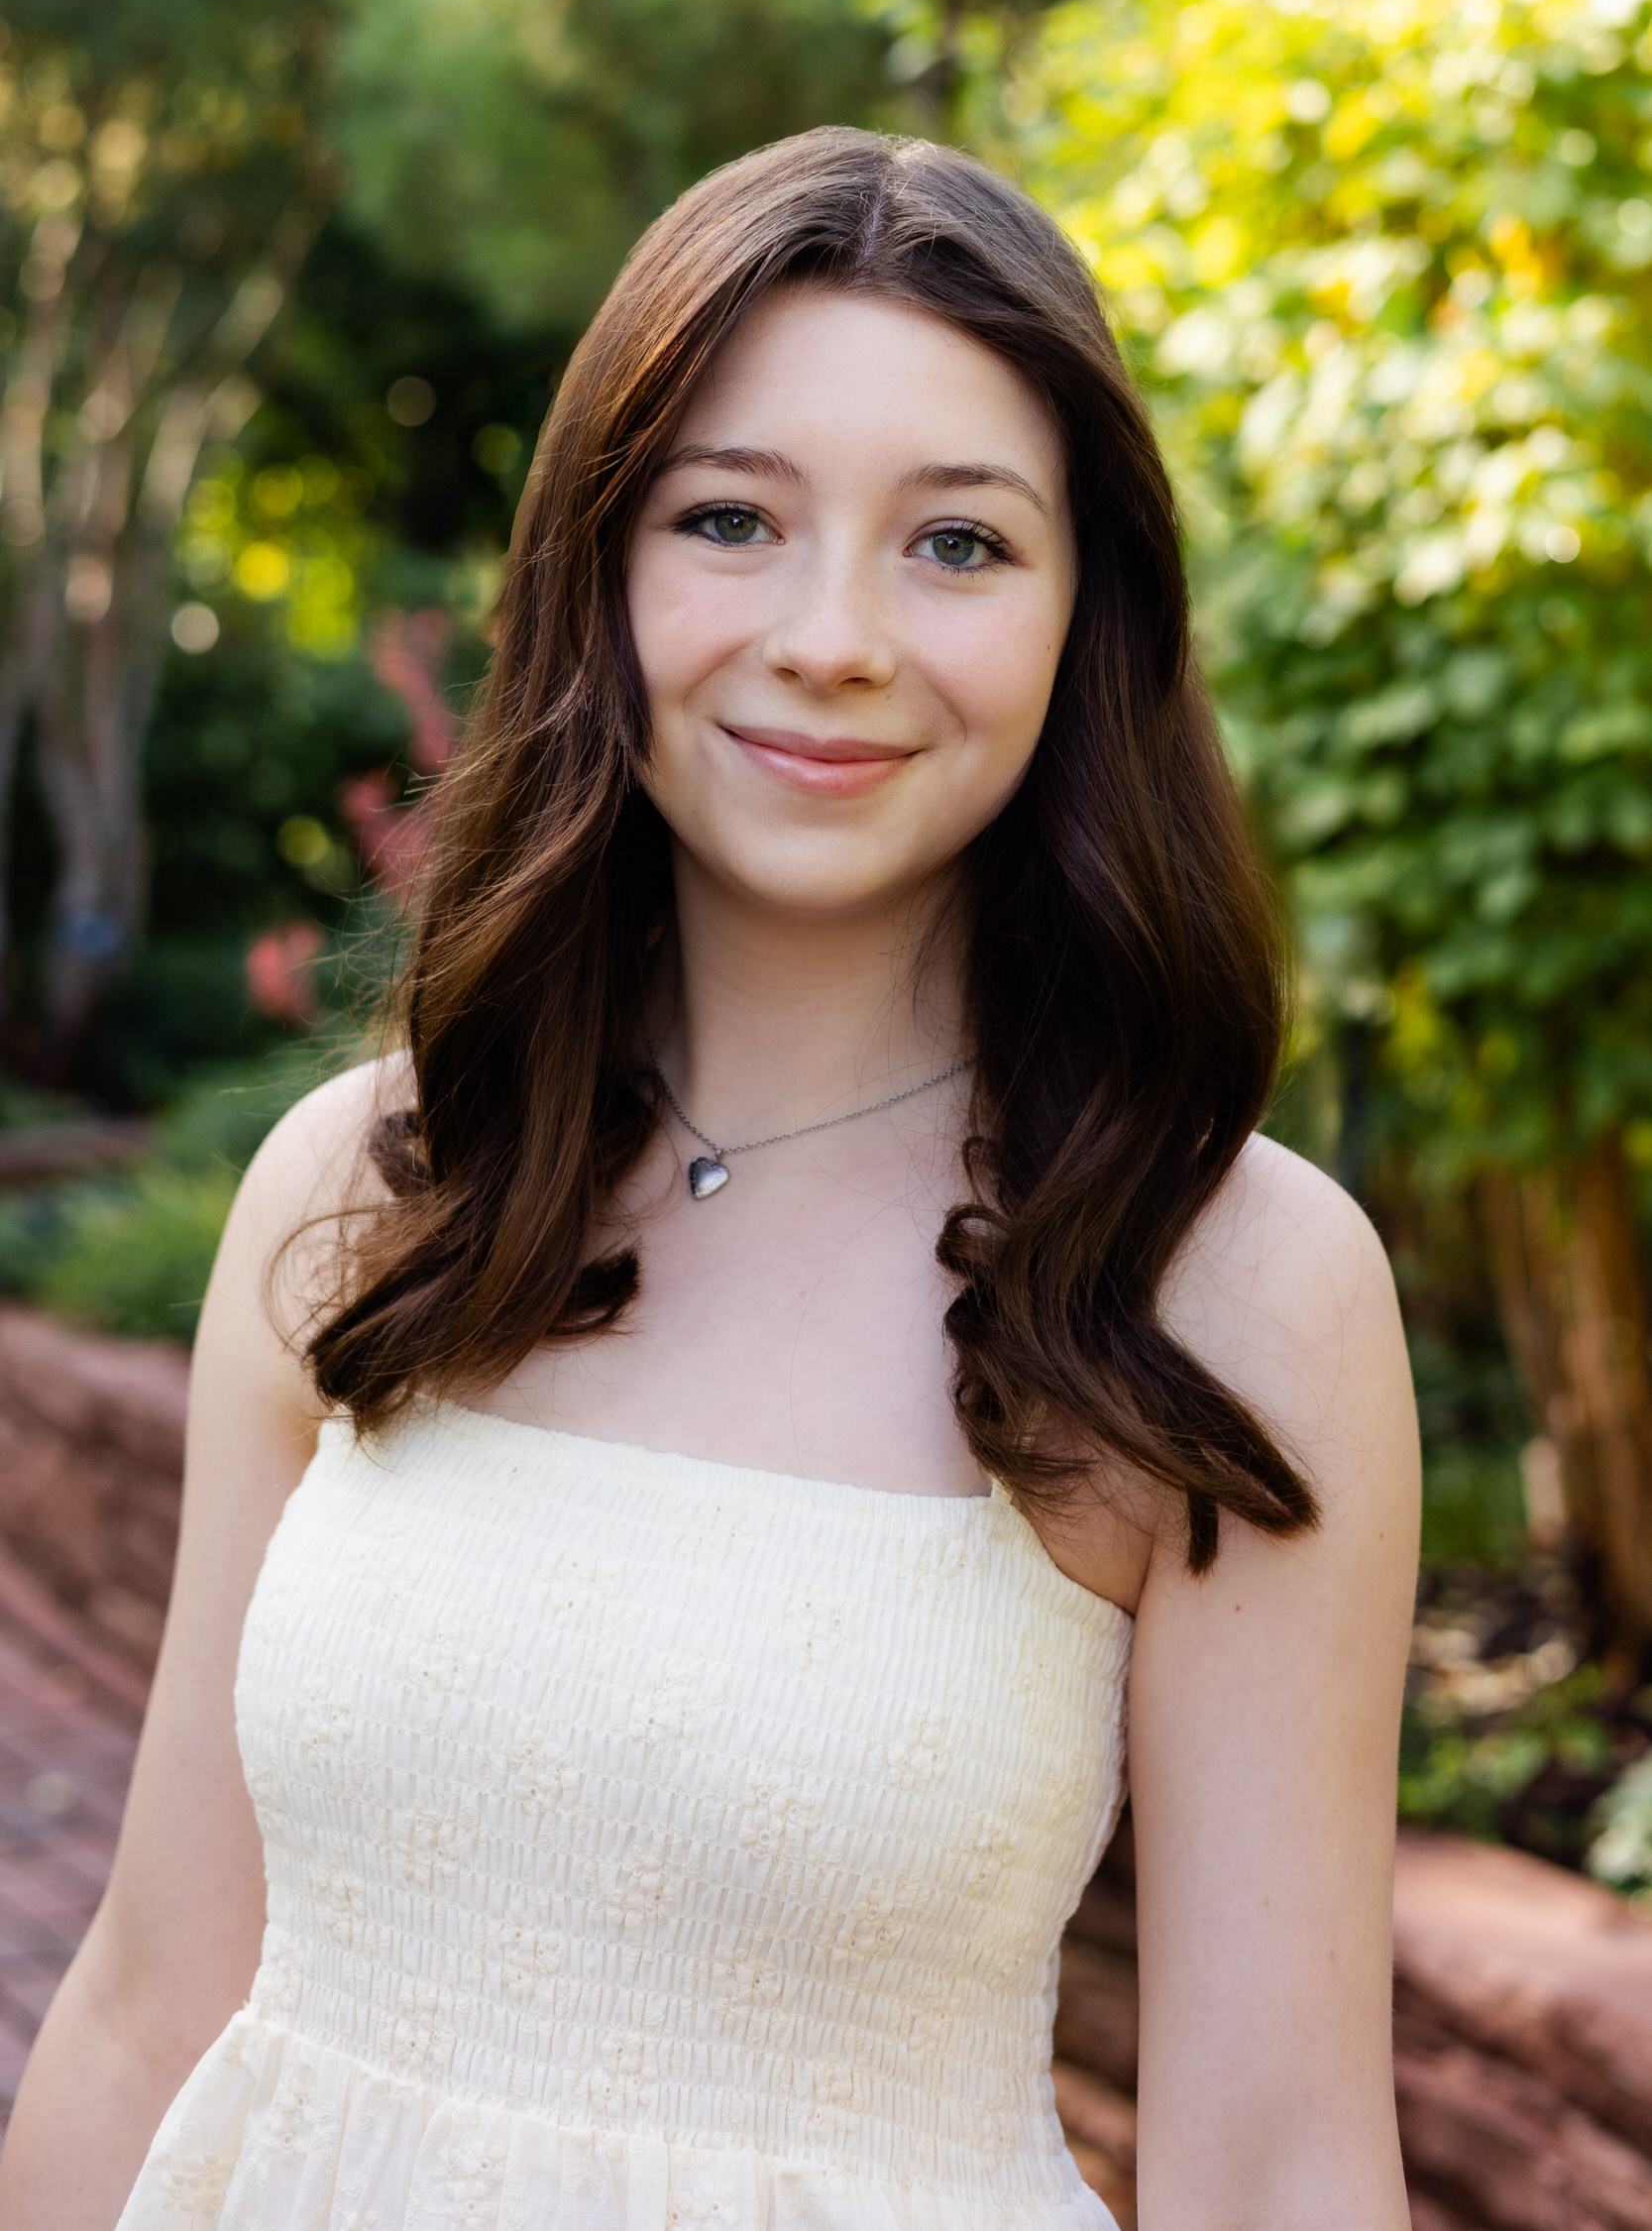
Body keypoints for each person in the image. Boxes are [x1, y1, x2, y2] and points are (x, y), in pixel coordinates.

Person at [0, 127, 1419, 2231]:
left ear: (1083, 612)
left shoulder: (1225, 1276)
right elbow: (146, 1999)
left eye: (958, 542)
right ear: (598, 566)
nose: (833, 635)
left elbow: (1279, 2156)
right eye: (733, 517)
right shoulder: (362, 1189)